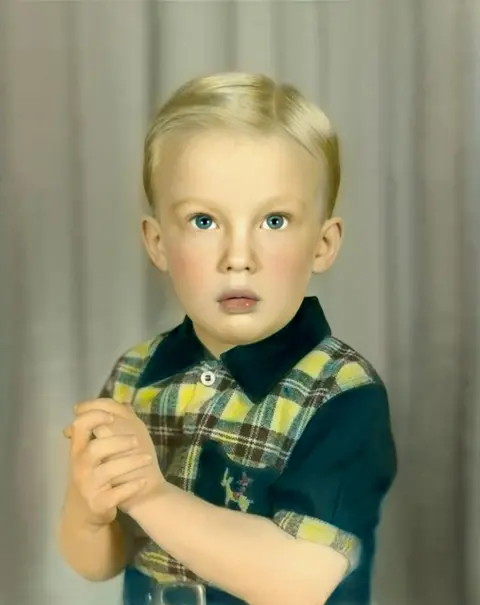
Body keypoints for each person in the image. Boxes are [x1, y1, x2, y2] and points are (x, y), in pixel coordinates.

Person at [57, 72, 397, 605]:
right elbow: (97, 561)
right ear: (158, 242)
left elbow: (298, 582)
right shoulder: (134, 375)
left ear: (323, 244)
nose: (239, 256)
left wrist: (148, 492)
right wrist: (91, 508)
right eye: (204, 220)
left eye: (275, 220)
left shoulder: (342, 395)